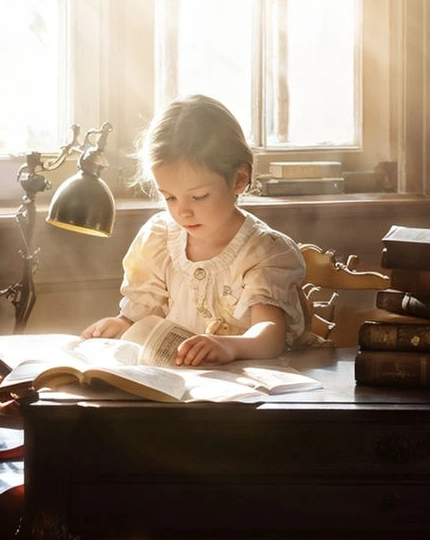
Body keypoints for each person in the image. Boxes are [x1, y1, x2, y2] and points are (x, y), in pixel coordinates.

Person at [81, 94, 308, 365]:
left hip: (245, 391)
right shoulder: (159, 239)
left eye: (198, 196)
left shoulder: (264, 251)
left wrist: (230, 346)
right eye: (170, 198)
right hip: (177, 387)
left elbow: (269, 336)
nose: (182, 211)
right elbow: (140, 317)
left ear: (239, 179)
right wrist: (121, 324)